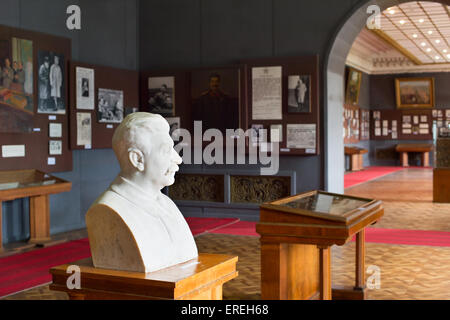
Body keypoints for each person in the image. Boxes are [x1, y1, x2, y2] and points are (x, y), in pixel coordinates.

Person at [85, 112, 198, 273]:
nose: (177, 159)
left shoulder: (166, 203)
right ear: (137, 159)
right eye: (166, 150)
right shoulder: (108, 209)